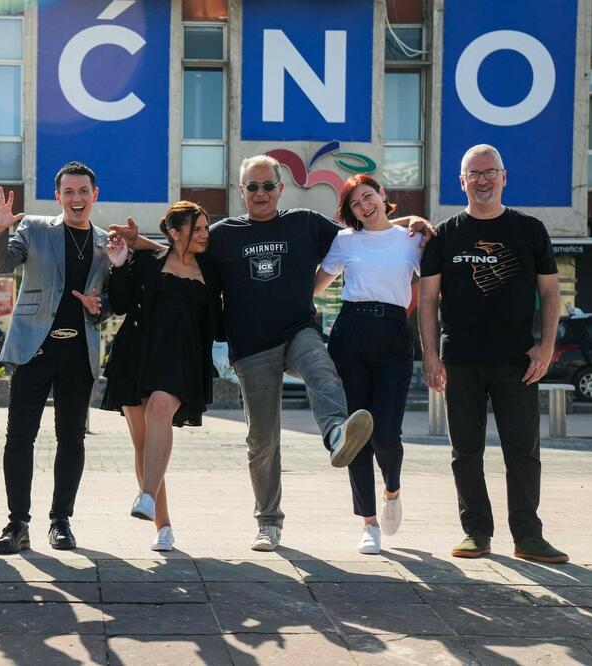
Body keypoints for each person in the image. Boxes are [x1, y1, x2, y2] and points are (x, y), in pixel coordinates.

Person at [113, 155, 431, 552]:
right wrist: (139, 243)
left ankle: (336, 432)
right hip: (251, 347)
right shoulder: (224, 234)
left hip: (297, 331)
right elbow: (180, 252)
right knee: (262, 440)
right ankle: (268, 523)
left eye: (268, 186)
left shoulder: (305, 223)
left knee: (321, 365)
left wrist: (412, 222)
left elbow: (367, 229)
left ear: (281, 189)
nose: (260, 193)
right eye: (253, 186)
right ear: (241, 190)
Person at [419, 144, 568, 564]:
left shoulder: (530, 230)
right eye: (474, 174)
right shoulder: (444, 235)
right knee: (465, 452)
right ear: (461, 182)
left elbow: (550, 293)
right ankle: (476, 532)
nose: (482, 180)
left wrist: (546, 346)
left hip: (517, 361)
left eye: (489, 172)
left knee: (522, 452)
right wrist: (430, 355)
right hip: (460, 361)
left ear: (504, 177)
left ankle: (528, 536)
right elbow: (427, 300)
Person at [0, 161, 111, 554]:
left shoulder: (106, 243)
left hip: (79, 352)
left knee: (71, 438)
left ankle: (61, 521)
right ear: (58, 197)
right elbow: (1, 264)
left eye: (83, 191)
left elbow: (112, 299)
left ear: (94, 194)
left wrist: (101, 307)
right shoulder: (35, 229)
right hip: (34, 349)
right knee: (20, 436)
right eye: (68, 192)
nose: (76, 198)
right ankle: (17, 523)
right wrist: (0, 231)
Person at [313, 174, 424, 555]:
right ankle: (368, 523)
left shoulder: (412, 239)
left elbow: (432, 285)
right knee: (356, 435)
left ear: (382, 195)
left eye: (368, 196)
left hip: (394, 335)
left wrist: (417, 221)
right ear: (350, 212)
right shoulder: (345, 241)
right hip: (351, 334)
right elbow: (315, 286)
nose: (364, 205)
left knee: (386, 435)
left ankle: (392, 489)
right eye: (355, 203)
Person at [100, 201, 220, 551]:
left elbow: (218, 323)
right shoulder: (148, 262)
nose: (205, 234)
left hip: (183, 360)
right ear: (176, 233)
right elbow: (121, 303)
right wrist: (119, 265)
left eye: (206, 228)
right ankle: (163, 527)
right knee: (143, 443)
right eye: (197, 229)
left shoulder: (210, 270)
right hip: (136, 355)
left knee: (159, 410)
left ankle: (147, 495)